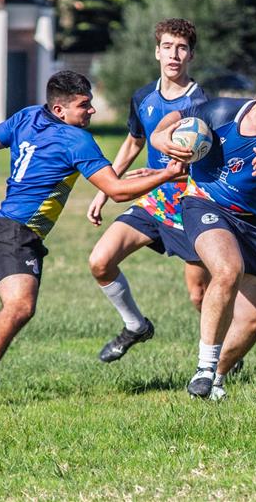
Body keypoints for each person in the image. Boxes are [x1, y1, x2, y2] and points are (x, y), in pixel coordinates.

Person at [0, 71, 186, 401]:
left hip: (4, 229)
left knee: (13, 308)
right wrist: (167, 175)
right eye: (84, 105)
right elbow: (116, 191)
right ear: (60, 111)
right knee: (19, 307)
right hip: (16, 233)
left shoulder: (28, 116)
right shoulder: (76, 141)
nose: (92, 112)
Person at [151, 62, 256, 400]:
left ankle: (215, 378)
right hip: (205, 204)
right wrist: (160, 138)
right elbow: (175, 118)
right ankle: (204, 366)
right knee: (228, 270)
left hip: (255, 223)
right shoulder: (222, 110)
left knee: (252, 321)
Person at [86, 18, 209, 363]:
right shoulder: (143, 97)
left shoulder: (202, 104)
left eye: (182, 48)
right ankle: (135, 326)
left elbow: (204, 161)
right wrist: (105, 190)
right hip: (152, 200)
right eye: (168, 47)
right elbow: (132, 143)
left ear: (191, 55)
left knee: (199, 295)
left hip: (190, 205)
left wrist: (167, 173)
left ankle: (220, 352)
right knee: (100, 261)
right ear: (157, 52)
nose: (174, 55)